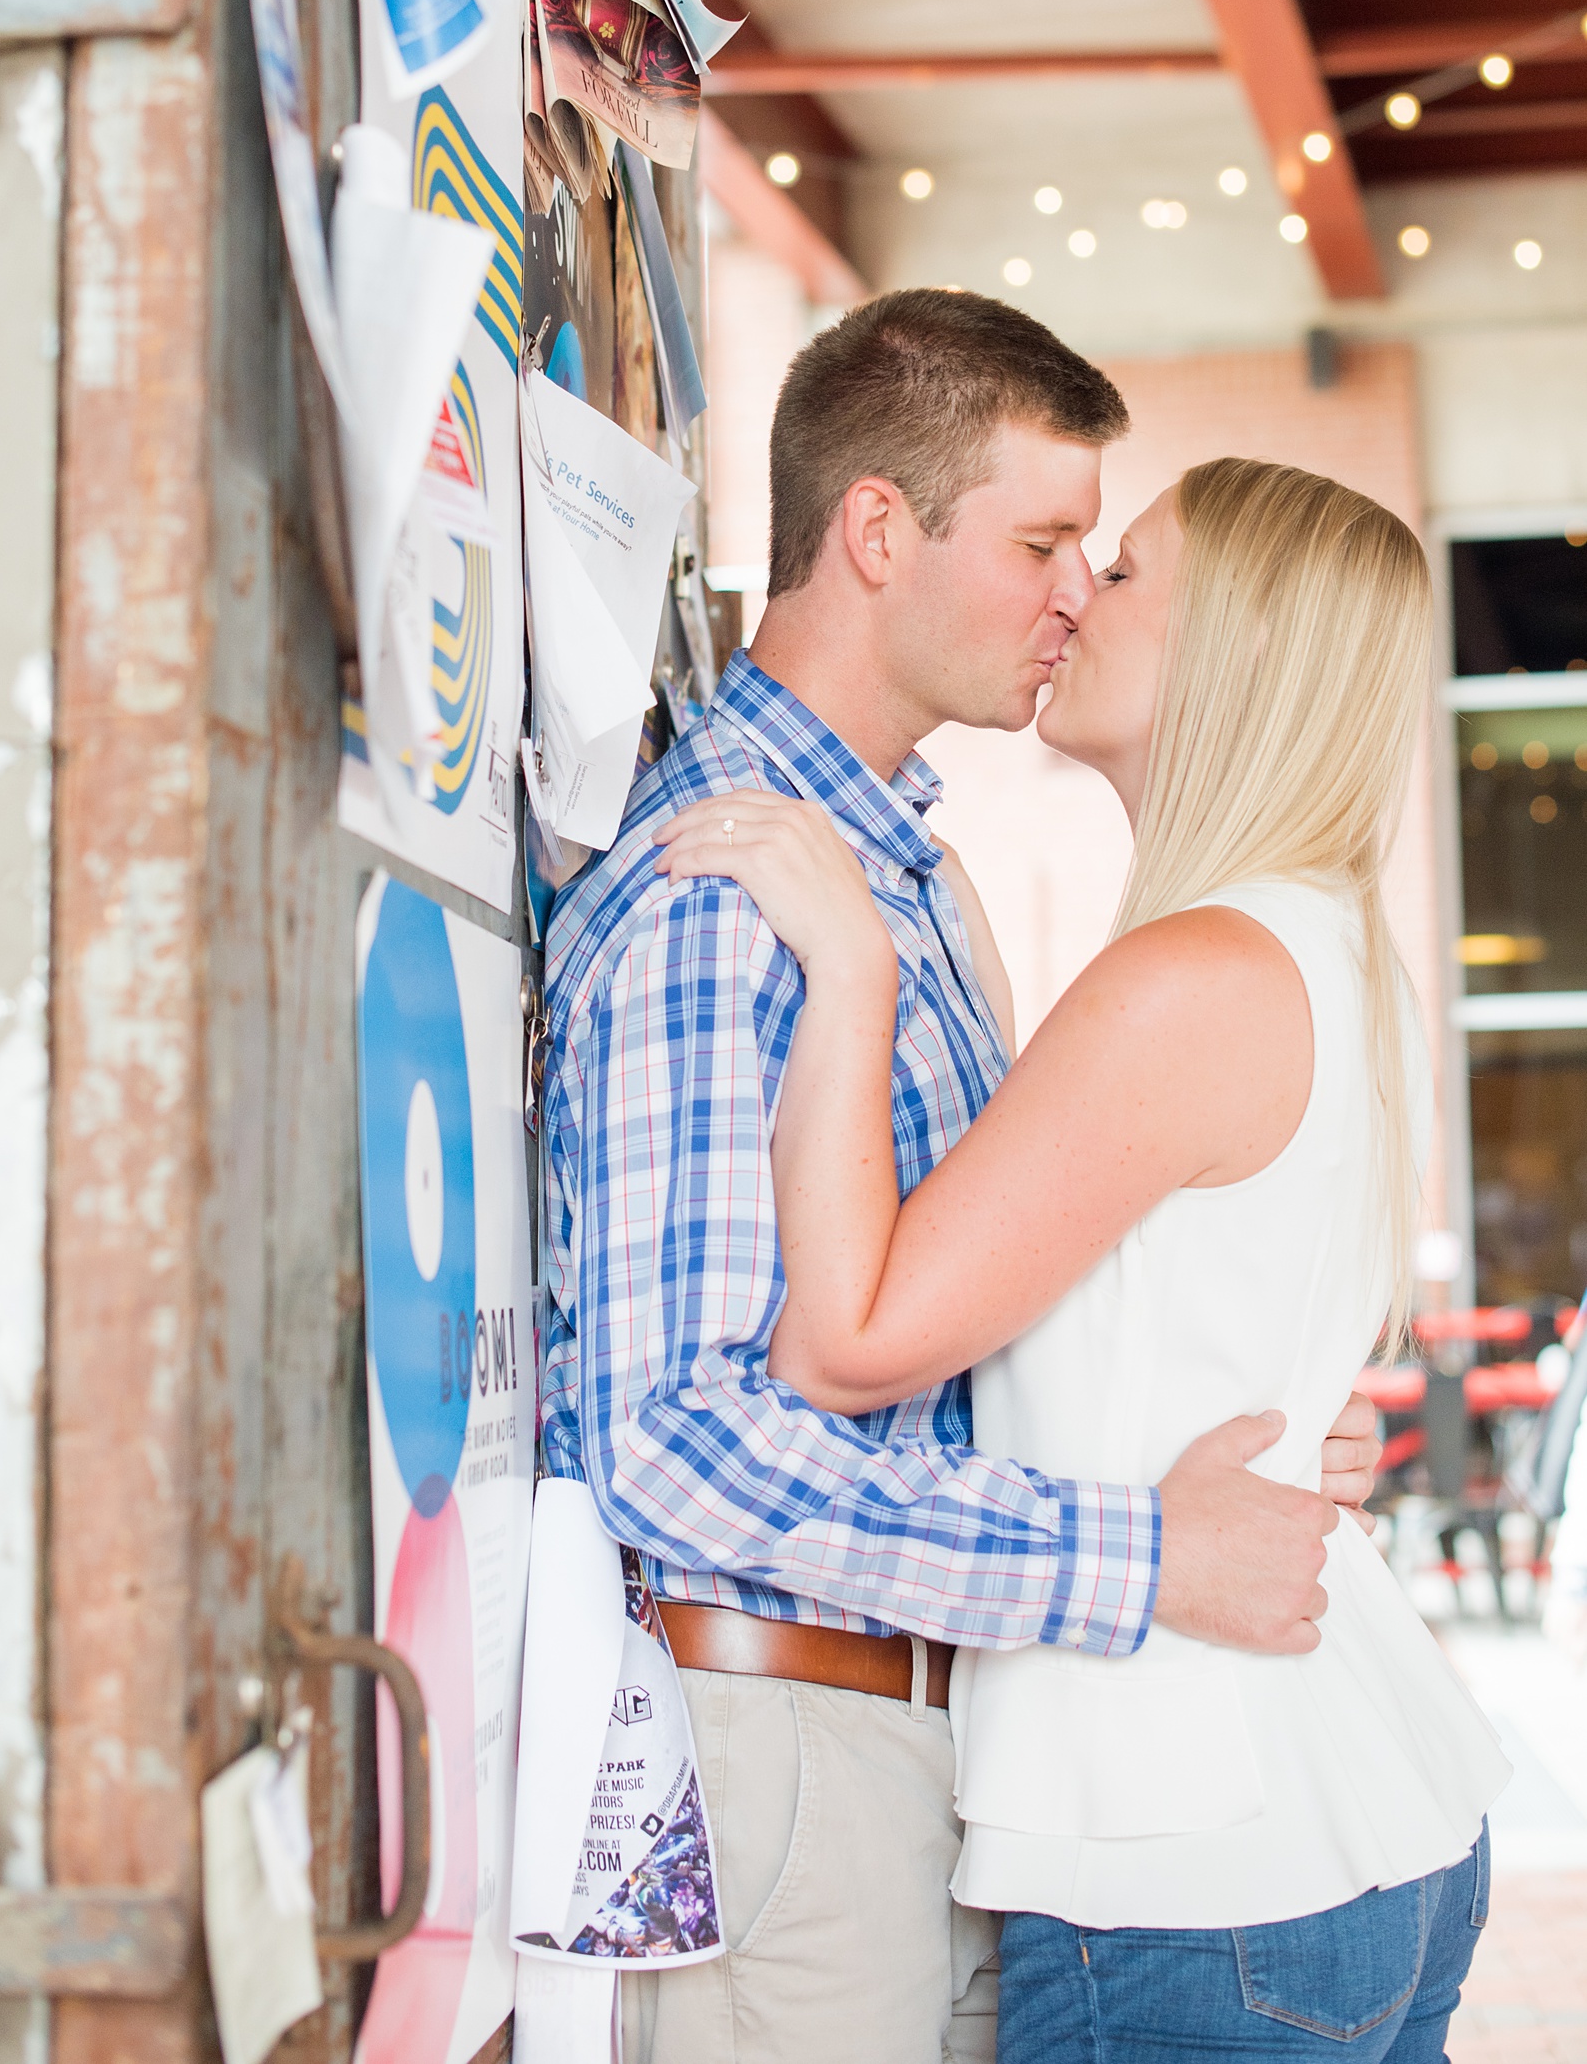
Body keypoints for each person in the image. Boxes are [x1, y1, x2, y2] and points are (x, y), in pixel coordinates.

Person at [540, 292, 1383, 2064]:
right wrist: (1141, 1552)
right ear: (875, 531)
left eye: (1098, 550)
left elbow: (950, 1339)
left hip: (929, 1746)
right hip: (786, 1754)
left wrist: (1240, 1423)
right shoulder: (727, 892)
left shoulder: (893, 881)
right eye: (1042, 540)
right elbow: (669, 1443)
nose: (1078, 591)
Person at [655, 455, 1512, 2062]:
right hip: (1343, 1807)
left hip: (1189, 1855)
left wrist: (853, 968)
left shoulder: (1190, 978)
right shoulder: (1319, 946)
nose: (1073, 599)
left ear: (1233, 652)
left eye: (1121, 574)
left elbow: (847, 1344)